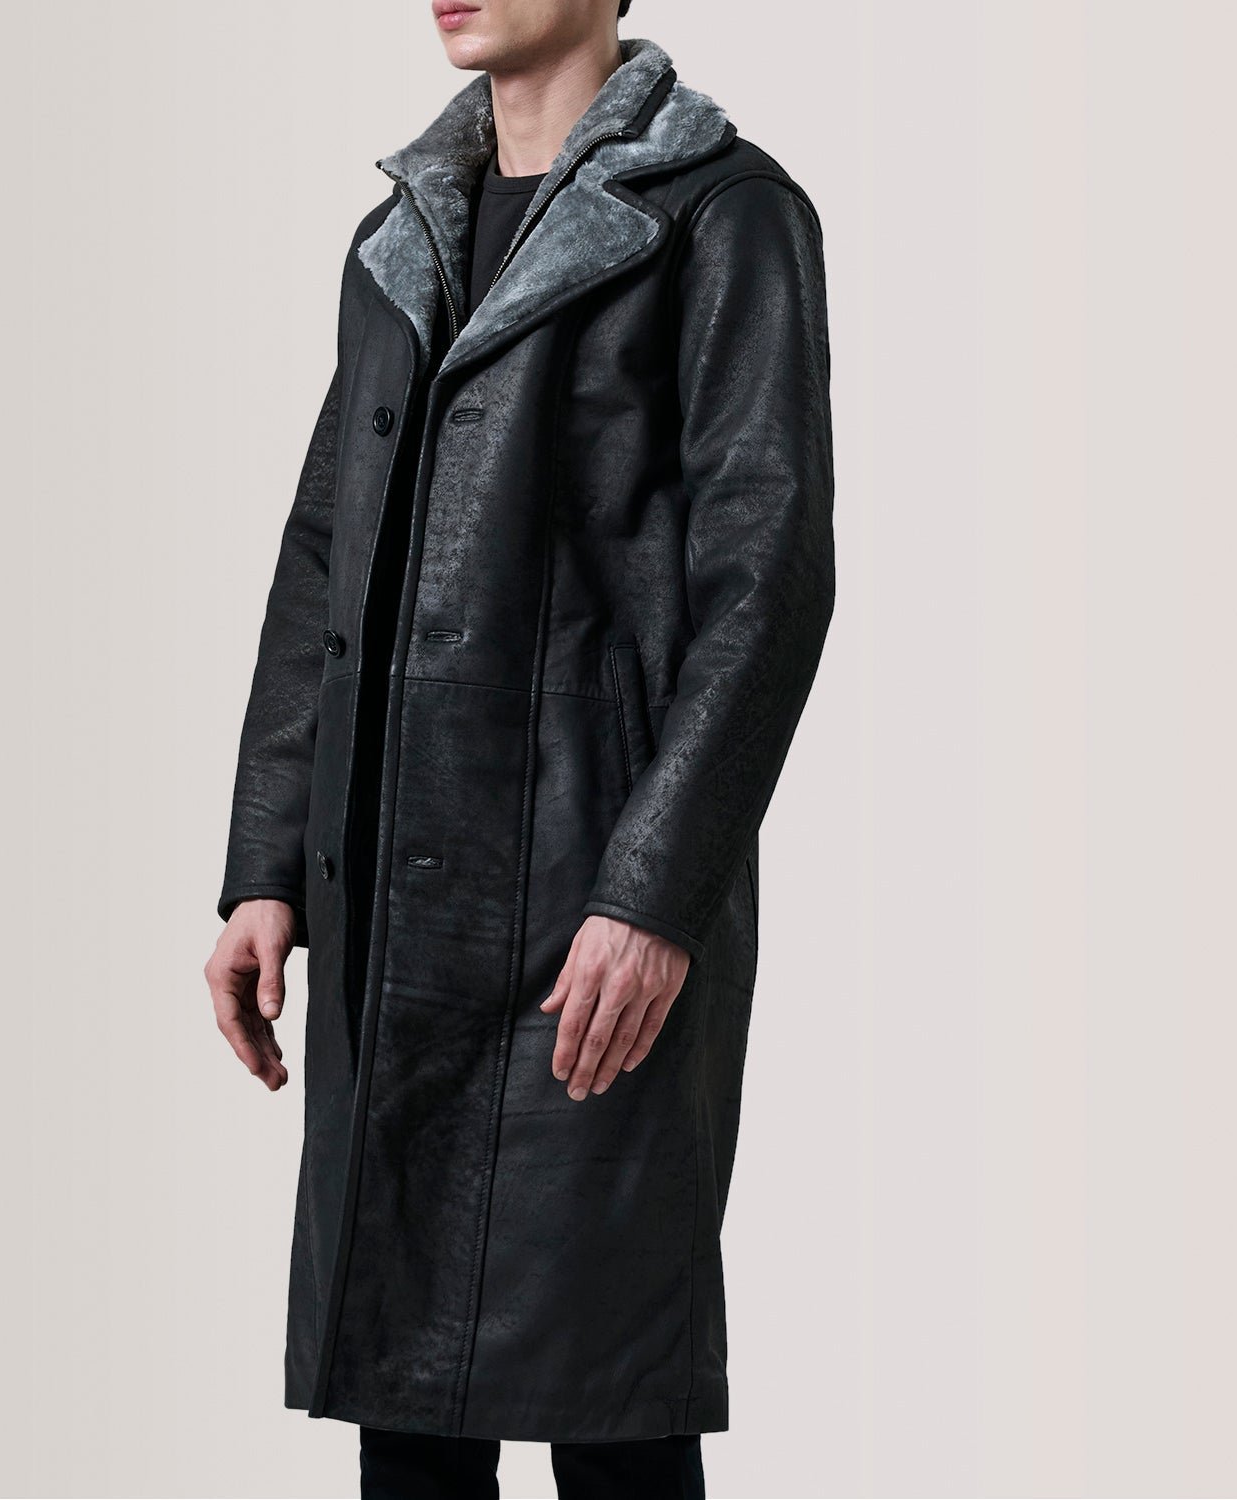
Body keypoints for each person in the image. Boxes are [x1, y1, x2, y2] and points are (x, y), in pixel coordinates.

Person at [204, 0, 835, 1494]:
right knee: (408, 1418)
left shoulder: (721, 215)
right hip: (395, 917)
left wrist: (654, 891)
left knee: (610, 1412)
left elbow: (769, 583)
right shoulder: (400, 235)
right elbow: (322, 561)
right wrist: (266, 864)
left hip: (584, 919)